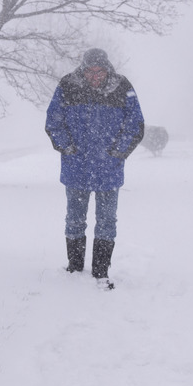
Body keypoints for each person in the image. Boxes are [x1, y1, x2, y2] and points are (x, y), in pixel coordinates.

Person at [45, 48, 145, 289]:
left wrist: (117, 153)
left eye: (99, 71)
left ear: (107, 69)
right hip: (76, 167)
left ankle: (101, 270)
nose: (95, 76)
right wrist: (67, 148)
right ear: (84, 69)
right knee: (75, 220)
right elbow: (53, 121)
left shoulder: (122, 87)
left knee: (107, 222)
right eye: (90, 71)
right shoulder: (68, 84)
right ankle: (75, 266)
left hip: (108, 169)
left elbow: (135, 124)